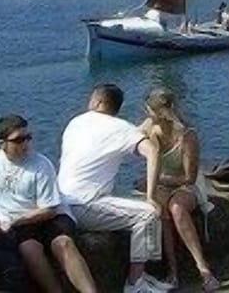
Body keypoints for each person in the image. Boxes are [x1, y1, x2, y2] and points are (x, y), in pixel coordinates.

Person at [56, 84, 167, 293]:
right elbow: (153, 151)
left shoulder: (76, 122)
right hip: (85, 205)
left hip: (62, 205)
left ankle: (142, 278)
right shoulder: (121, 128)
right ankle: (135, 283)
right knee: (149, 214)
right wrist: (151, 196)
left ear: (97, 102)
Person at [0, 115, 97, 293]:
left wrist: (14, 221)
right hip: (19, 222)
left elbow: (49, 209)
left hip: (51, 216)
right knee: (29, 250)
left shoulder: (41, 164)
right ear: (2, 143)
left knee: (63, 244)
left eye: (28, 138)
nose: (25, 144)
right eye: (18, 140)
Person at [140, 88, 219, 292]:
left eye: (149, 110)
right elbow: (126, 137)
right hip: (162, 186)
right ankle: (173, 272)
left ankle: (204, 270)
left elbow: (189, 178)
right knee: (160, 209)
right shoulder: (150, 128)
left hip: (187, 185)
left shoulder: (186, 135)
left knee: (177, 207)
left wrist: (157, 179)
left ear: (153, 111)